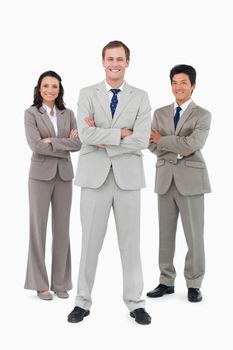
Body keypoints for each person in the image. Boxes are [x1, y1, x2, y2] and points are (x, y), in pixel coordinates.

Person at [67, 41, 152, 324]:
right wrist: (120, 134)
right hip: (94, 179)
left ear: (128, 61)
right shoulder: (86, 94)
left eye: (120, 59)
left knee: (131, 245)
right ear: (102, 62)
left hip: (128, 179)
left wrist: (103, 136)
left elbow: (141, 139)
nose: (114, 63)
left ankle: (135, 303)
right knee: (90, 243)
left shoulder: (140, 97)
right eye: (110, 59)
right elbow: (85, 137)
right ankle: (82, 301)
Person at [147, 64, 211, 302]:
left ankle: (194, 283)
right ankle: (166, 281)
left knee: (194, 235)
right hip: (165, 179)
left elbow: (194, 144)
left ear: (193, 86)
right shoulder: (159, 113)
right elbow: (151, 144)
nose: (178, 87)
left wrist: (164, 140)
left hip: (192, 181)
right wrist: (177, 148)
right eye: (174, 82)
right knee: (165, 234)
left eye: (183, 82)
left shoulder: (203, 115)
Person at [24, 70, 81, 300]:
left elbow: (78, 143)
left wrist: (53, 141)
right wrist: (63, 143)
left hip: (64, 176)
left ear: (60, 90)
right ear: (39, 88)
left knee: (62, 229)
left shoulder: (68, 114)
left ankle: (61, 282)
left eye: (55, 86)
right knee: (38, 229)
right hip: (39, 176)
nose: (50, 90)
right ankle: (39, 283)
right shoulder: (31, 114)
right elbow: (36, 146)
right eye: (46, 86)